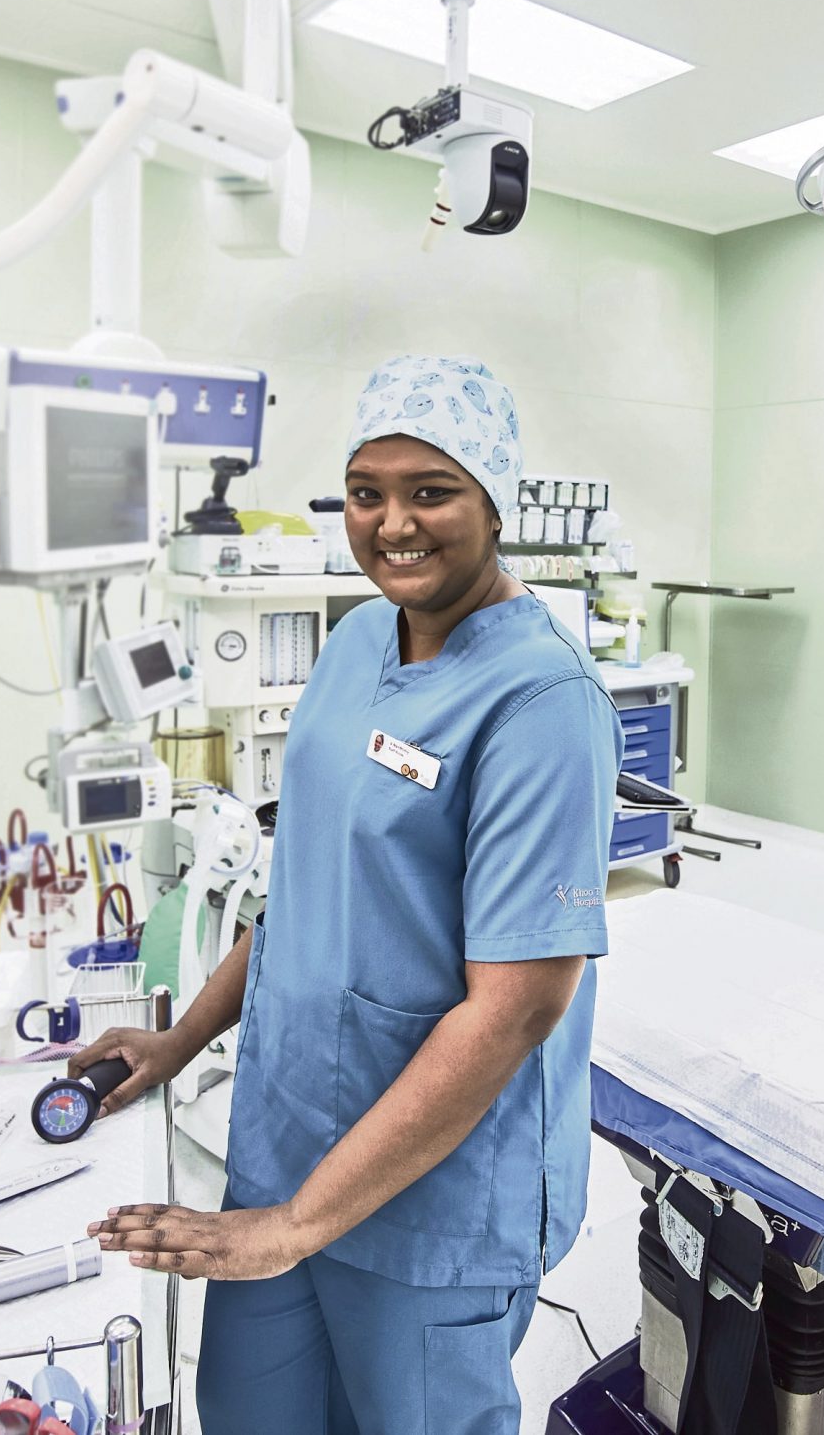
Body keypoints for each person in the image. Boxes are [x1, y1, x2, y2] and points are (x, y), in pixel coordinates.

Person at [67, 354, 621, 1434]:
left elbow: (516, 1008)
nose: (393, 523)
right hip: (286, 1140)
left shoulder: (543, 701)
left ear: (494, 502)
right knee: (247, 1412)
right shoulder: (358, 638)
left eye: (431, 491)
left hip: (434, 1198)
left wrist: (291, 1227)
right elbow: (304, 886)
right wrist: (179, 1040)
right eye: (367, 491)